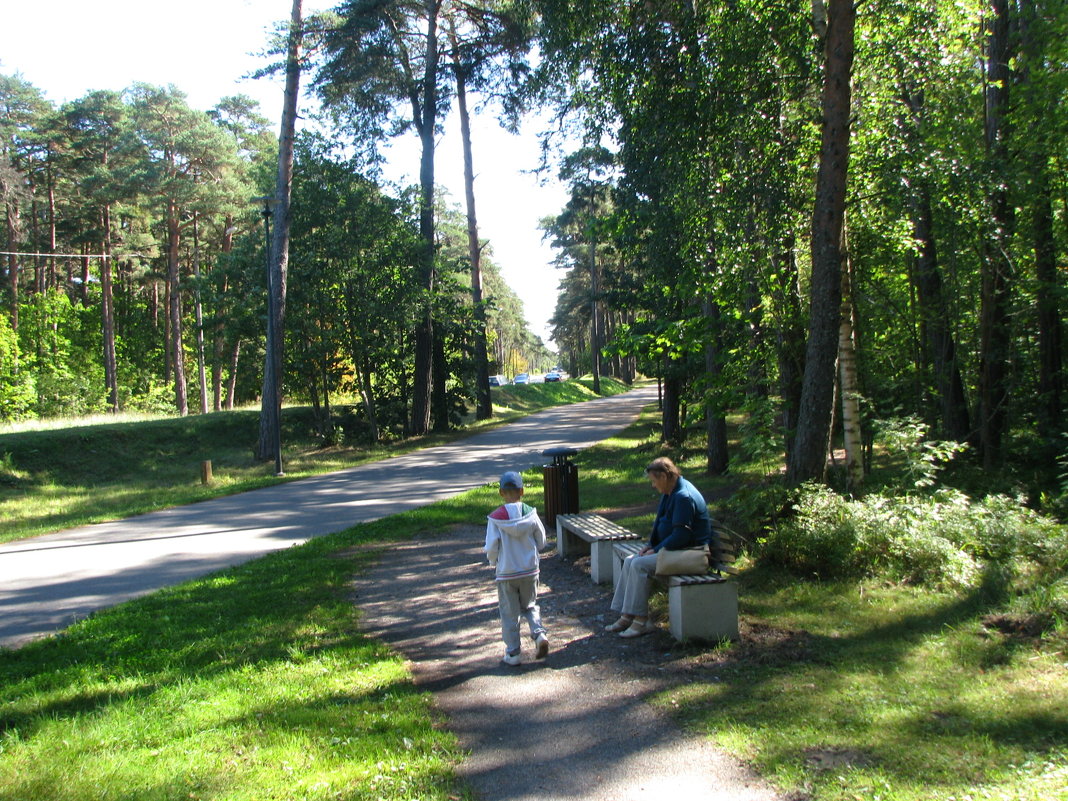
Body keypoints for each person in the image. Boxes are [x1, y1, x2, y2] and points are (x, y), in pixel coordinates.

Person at [606, 456, 713, 638]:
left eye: (654, 481)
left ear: (664, 476)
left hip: (691, 554)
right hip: (675, 551)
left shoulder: (683, 497)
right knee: (632, 560)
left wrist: (656, 549)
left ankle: (641, 622)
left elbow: (682, 535)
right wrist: (650, 546)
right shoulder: (669, 493)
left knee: (639, 565)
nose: (653, 486)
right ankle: (626, 615)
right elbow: (660, 525)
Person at [484, 470, 550, 665]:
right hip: (529, 570)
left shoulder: (496, 519)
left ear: (501, 493)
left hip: (506, 572)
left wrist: (493, 561)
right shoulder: (531, 513)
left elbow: (491, 546)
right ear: (522, 491)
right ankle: (538, 634)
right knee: (530, 605)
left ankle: (513, 653)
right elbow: (542, 540)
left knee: (509, 612)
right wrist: (534, 550)